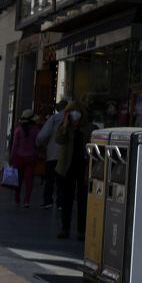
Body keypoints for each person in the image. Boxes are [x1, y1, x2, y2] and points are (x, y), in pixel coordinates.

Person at [54, 101, 91, 239]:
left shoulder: (87, 128)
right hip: (66, 167)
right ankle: (65, 228)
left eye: (77, 112)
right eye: (72, 112)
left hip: (82, 167)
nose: (75, 115)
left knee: (83, 201)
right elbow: (58, 140)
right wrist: (65, 125)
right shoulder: (64, 127)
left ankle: (81, 230)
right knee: (66, 200)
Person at [36, 99, 66, 209]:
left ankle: (48, 201)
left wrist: (39, 144)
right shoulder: (72, 119)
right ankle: (61, 203)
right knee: (62, 180)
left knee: (50, 179)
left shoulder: (54, 118)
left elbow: (43, 135)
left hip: (52, 153)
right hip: (64, 155)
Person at [9, 111, 40, 208]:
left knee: (18, 180)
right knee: (29, 181)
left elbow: (14, 146)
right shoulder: (36, 130)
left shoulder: (18, 130)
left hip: (19, 158)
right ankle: (27, 201)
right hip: (31, 158)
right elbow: (38, 144)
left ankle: (17, 198)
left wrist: (12, 158)